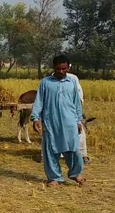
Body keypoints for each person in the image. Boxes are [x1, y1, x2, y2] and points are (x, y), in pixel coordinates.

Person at [31, 55, 86, 187]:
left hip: (70, 122)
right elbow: (39, 102)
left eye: (64, 69)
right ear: (54, 68)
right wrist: (35, 118)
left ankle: (76, 174)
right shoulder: (45, 83)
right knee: (51, 150)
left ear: (68, 68)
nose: (61, 71)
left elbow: (77, 104)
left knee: (73, 150)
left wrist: (79, 120)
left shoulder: (72, 83)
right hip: (51, 122)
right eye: (58, 69)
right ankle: (54, 178)